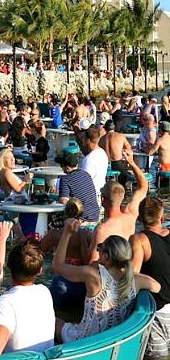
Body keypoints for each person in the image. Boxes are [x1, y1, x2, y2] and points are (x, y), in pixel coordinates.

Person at [54, 219, 160, 343]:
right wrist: (133, 274)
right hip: (111, 340)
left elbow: (57, 266)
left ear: (106, 257)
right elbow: (157, 287)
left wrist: (67, 233)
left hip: (85, 341)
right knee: (74, 321)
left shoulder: (93, 276)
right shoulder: (136, 280)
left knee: (51, 320)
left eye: (99, 248)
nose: (97, 251)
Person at [0, 240, 55, 355]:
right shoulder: (44, 292)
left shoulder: (5, 302)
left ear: (8, 267)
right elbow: (26, 319)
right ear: (39, 271)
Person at [88, 149, 147, 263]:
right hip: (127, 265)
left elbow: (91, 263)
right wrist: (131, 162)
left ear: (103, 200)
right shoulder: (131, 214)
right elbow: (143, 186)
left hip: (111, 271)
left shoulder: (102, 230)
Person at [131, 197, 170, 359]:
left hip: (158, 310)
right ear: (162, 219)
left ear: (139, 219)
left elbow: (132, 276)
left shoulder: (139, 240)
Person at [41, 198, 92, 309]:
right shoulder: (87, 234)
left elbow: (37, 253)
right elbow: (89, 261)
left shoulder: (54, 235)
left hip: (61, 280)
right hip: (82, 283)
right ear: (81, 214)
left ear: (65, 212)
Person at [57, 151, 100, 225]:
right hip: (95, 215)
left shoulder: (65, 179)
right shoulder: (86, 174)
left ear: (66, 167)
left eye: (61, 166)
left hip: (82, 218)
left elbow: (63, 200)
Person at [80, 127, 109, 202]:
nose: (82, 141)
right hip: (102, 192)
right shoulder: (102, 153)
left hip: (91, 196)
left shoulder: (88, 159)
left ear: (88, 140)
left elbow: (84, 182)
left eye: (83, 139)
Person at [99, 120, 132, 185]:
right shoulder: (121, 136)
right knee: (124, 176)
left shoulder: (101, 139)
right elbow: (128, 148)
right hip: (117, 163)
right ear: (114, 128)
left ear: (105, 129)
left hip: (105, 164)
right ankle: (123, 191)